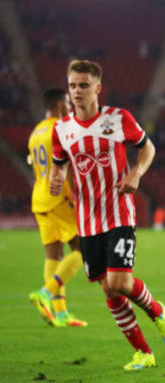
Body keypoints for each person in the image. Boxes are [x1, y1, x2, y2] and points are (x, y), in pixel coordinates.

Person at [50, 59, 165, 371]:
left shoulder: (118, 119)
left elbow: (147, 149)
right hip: (86, 219)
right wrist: (57, 176)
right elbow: (59, 163)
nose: (77, 91)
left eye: (83, 85)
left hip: (119, 212)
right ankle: (143, 353)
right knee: (108, 288)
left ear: (97, 87)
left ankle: (157, 311)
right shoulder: (62, 129)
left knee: (120, 282)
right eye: (72, 86)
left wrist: (136, 173)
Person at [28, 88, 87, 328]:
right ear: (60, 105)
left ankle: (60, 313)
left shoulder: (35, 132)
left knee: (54, 254)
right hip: (60, 197)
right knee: (83, 249)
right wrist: (78, 196)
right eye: (68, 103)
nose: (71, 107)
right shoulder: (61, 127)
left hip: (39, 199)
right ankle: (45, 292)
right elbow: (68, 166)